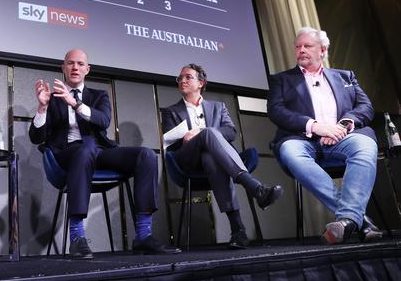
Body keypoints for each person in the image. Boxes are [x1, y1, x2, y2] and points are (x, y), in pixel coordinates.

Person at [29, 49, 180, 258]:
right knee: (85, 148)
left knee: (145, 155)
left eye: (80, 64)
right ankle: (77, 237)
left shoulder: (98, 95)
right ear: (63, 68)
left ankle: (143, 236)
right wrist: (42, 107)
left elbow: (103, 120)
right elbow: (36, 138)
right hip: (66, 155)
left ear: (87, 70)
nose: (75, 67)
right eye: (70, 63)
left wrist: (76, 104)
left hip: (100, 152)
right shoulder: (52, 98)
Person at [267, 26, 383, 244]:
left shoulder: (345, 76)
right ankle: (357, 220)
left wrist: (343, 125)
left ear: (323, 49)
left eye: (307, 46)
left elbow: (365, 107)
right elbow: (276, 111)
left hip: (344, 137)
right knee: (290, 152)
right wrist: (315, 126)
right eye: (298, 46)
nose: (301, 50)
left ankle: (349, 221)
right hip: (303, 140)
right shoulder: (281, 80)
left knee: (365, 146)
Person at [161, 64, 283, 249]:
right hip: (187, 158)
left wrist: (201, 132)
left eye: (188, 77)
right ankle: (254, 187)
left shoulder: (218, 107)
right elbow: (171, 143)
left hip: (214, 160)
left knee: (211, 158)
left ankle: (238, 232)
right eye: (180, 78)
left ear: (201, 83)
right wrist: (196, 136)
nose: (182, 81)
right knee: (208, 133)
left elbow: (230, 132)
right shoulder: (171, 111)